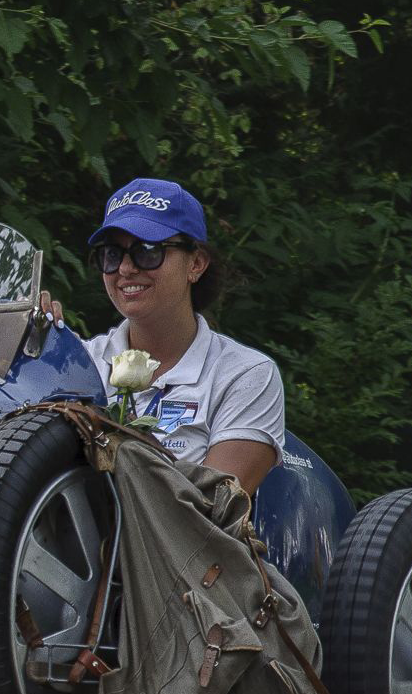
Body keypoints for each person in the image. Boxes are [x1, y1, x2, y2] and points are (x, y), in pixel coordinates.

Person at [72, 178, 284, 495]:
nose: (126, 269)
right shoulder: (78, 362)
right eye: (112, 254)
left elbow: (211, 513)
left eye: (147, 251)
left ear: (195, 264)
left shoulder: (245, 375)